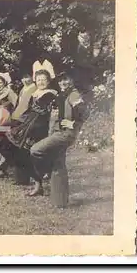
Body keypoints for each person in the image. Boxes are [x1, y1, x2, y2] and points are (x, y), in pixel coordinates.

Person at [29, 70, 89, 206]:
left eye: (66, 80)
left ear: (71, 81)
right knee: (59, 164)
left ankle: (45, 170)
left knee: (35, 150)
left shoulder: (73, 95)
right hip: (57, 133)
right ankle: (60, 202)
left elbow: (85, 112)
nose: (63, 82)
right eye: (61, 80)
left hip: (64, 134)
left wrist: (74, 124)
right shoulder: (62, 95)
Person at [0, 69, 57, 184]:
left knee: (24, 148)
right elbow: (28, 112)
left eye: (43, 80)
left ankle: (31, 177)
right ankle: (22, 176)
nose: (41, 82)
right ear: (35, 81)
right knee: (3, 138)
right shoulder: (35, 93)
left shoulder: (50, 94)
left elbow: (45, 114)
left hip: (40, 126)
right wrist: (17, 123)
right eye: (38, 80)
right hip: (28, 123)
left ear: (48, 81)